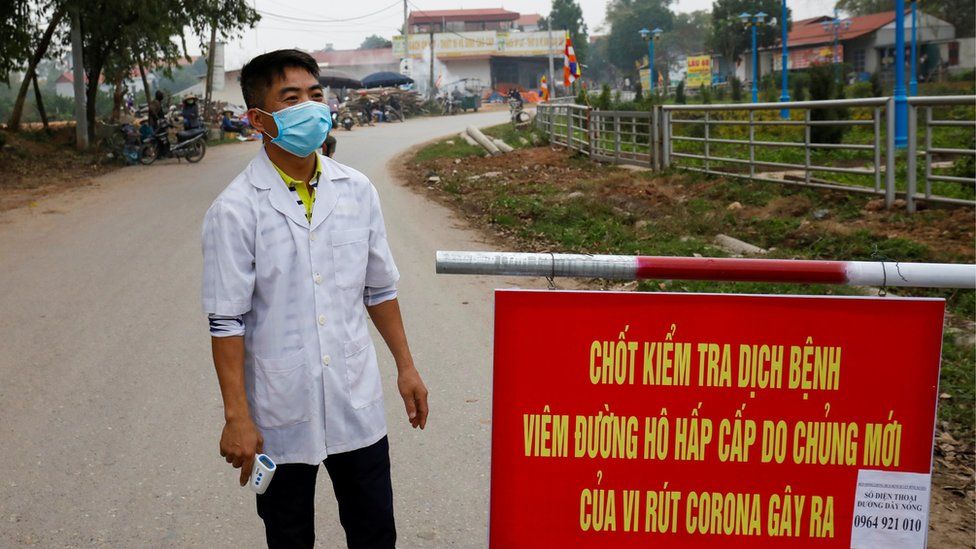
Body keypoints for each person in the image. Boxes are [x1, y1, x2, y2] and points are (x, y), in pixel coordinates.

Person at [201, 49, 429, 549]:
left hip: (355, 400)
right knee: (289, 536)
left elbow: (380, 288)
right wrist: (237, 415)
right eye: (292, 98)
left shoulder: (357, 190)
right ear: (259, 119)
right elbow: (226, 323)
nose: (311, 106)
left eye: (316, 95)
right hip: (281, 409)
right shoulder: (236, 211)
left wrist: (406, 367)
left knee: (375, 532)